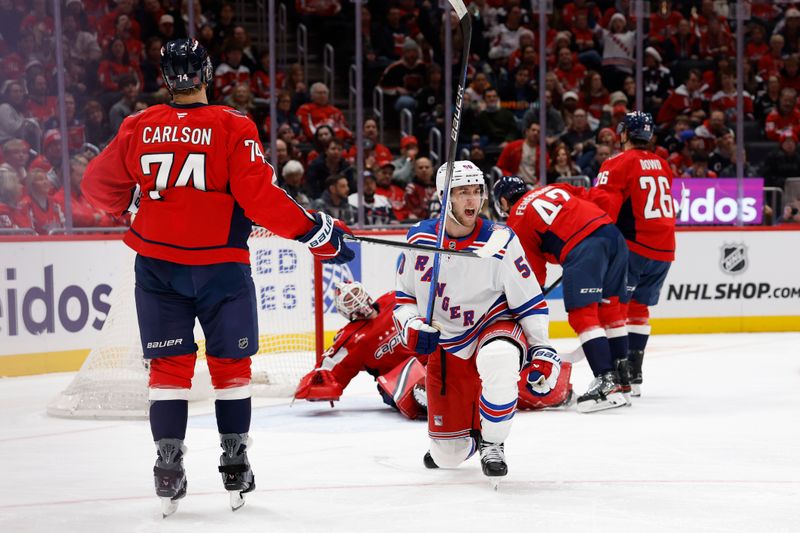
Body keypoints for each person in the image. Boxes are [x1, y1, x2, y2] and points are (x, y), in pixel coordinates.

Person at [81, 39, 354, 516]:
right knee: (231, 368)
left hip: (158, 267)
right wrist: (316, 233)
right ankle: (234, 459)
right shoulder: (232, 125)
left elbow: (94, 185)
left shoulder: (137, 126)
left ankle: (168, 464)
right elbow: (260, 198)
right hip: (220, 269)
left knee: (169, 371)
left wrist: (129, 205)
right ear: (207, 74)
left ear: (166, 78)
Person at [394, 160, 559, 482]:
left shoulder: (501, 240)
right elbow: (403, 300)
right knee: (447, 458)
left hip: (492, 324)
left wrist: (542, 348)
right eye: (462, 193)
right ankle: (461, 438)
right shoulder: (420, 239)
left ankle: (493, 442)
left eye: (476, 192)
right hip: (446, 341)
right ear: (445, 198)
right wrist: (412, 327)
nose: (472, 200)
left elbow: (529, 298)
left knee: (500, 359)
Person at [493, 176, 629, 412]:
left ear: (504, 201)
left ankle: (607, 383)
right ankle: (622, 378)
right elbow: (597, 197)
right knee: (610, 309)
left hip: (583, 248)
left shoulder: (517, 218)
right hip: (612, 234)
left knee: (582, 315)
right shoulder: (553, 187)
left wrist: (527, 300)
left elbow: (532, 274)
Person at [587, 112, 676, 398]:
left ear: (623, 133)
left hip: (634, 247)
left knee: (613, 307)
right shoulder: (662, 164)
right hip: (665, 248)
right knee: (639, 308)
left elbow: (604, 207)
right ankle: (635, 376)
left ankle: (621, 378)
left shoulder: (617, 162)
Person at [294, 282, 428, 419]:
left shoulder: (394, 299)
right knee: (405, 392)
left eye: (356, 293)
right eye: (348, 300)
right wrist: (315, 384)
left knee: (443, 359)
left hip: (428, 360)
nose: (355, 299)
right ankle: (428, 397)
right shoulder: (352, 338)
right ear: (344, 310)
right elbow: (331, 367)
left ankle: (433, 391)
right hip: (396, 380)